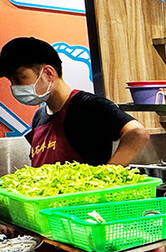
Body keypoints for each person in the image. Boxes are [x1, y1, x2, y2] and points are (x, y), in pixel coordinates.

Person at [0, 37, 149, 167]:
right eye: (11, 81)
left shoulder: (89, 106)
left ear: (48, 73)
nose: (14, 86)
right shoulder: (40, 116)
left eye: (19, 78)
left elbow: (137, 133)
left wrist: (106, 177)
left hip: (87, 199)